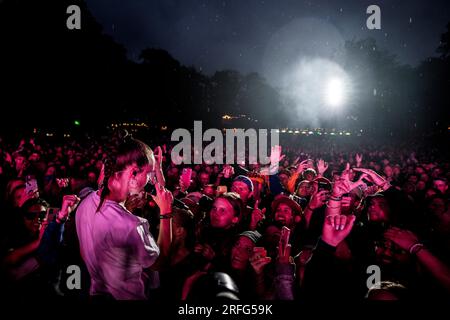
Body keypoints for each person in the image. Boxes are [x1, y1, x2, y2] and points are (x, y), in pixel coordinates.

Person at [75, 133, 173, 300]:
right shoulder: (131, 226)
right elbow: (161, 260)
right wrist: (166, 212)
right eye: (148, 174)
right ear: (134, 173)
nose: (149, 180)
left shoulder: (84, 204)